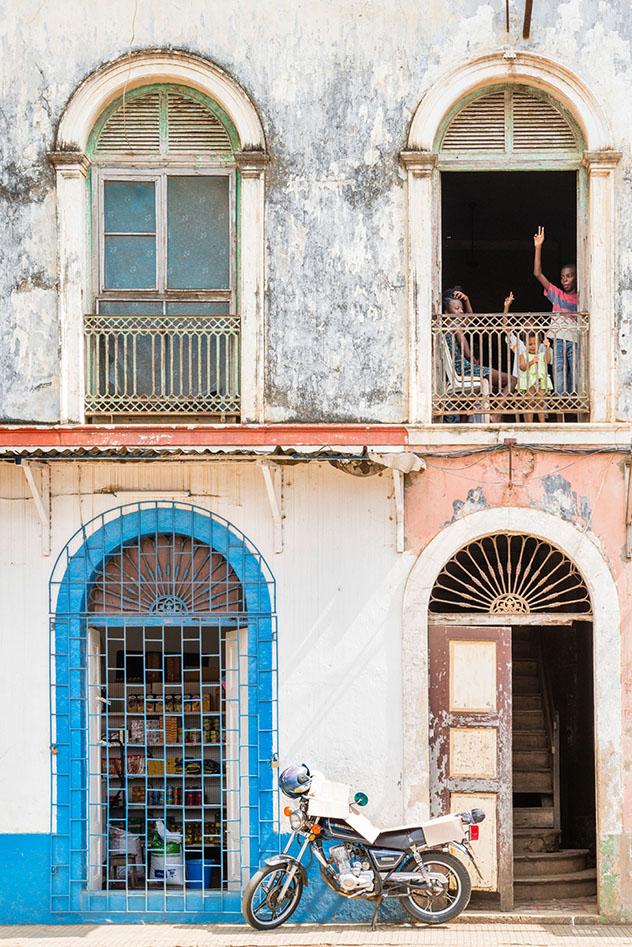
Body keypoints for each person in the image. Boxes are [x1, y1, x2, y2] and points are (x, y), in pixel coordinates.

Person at [442, 287, 513, 422]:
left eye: (461, 308)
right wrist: (473, 360)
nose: (461, 311)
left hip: (462, 369)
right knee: (511, 380)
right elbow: (467, 353)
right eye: (457, 308)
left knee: (478, 390)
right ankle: (496, 414)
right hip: (465, 369)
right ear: (446, 312)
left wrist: (467, 300)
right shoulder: (455, 328)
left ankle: (468, 422)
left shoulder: (448, 327)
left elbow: (471, 319)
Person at [533, 225, 578, 399]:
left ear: (577, 276)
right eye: (562, 277)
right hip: (558, 340)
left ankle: (574, 410)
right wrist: (538, 247)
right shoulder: (557, 295)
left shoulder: (583, 298)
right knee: (559, 376)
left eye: (569, 276)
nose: (565, 279)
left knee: (574, 376)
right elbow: (537, 273)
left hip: (575, 340)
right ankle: (560, 412)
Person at [517, 331, 553, 423]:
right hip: (529, 382)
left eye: (535, 344)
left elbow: (548, 360)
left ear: (539, 344)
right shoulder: (523, 355)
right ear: (525, 344)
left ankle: (542, 424)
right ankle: (529, 424)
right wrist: (531, 362)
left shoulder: (541, 355)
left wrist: (547, 348)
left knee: (539, 403)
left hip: (540, 381)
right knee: (530, 403)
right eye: (530, 344)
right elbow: (522, 367)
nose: (533, 346)